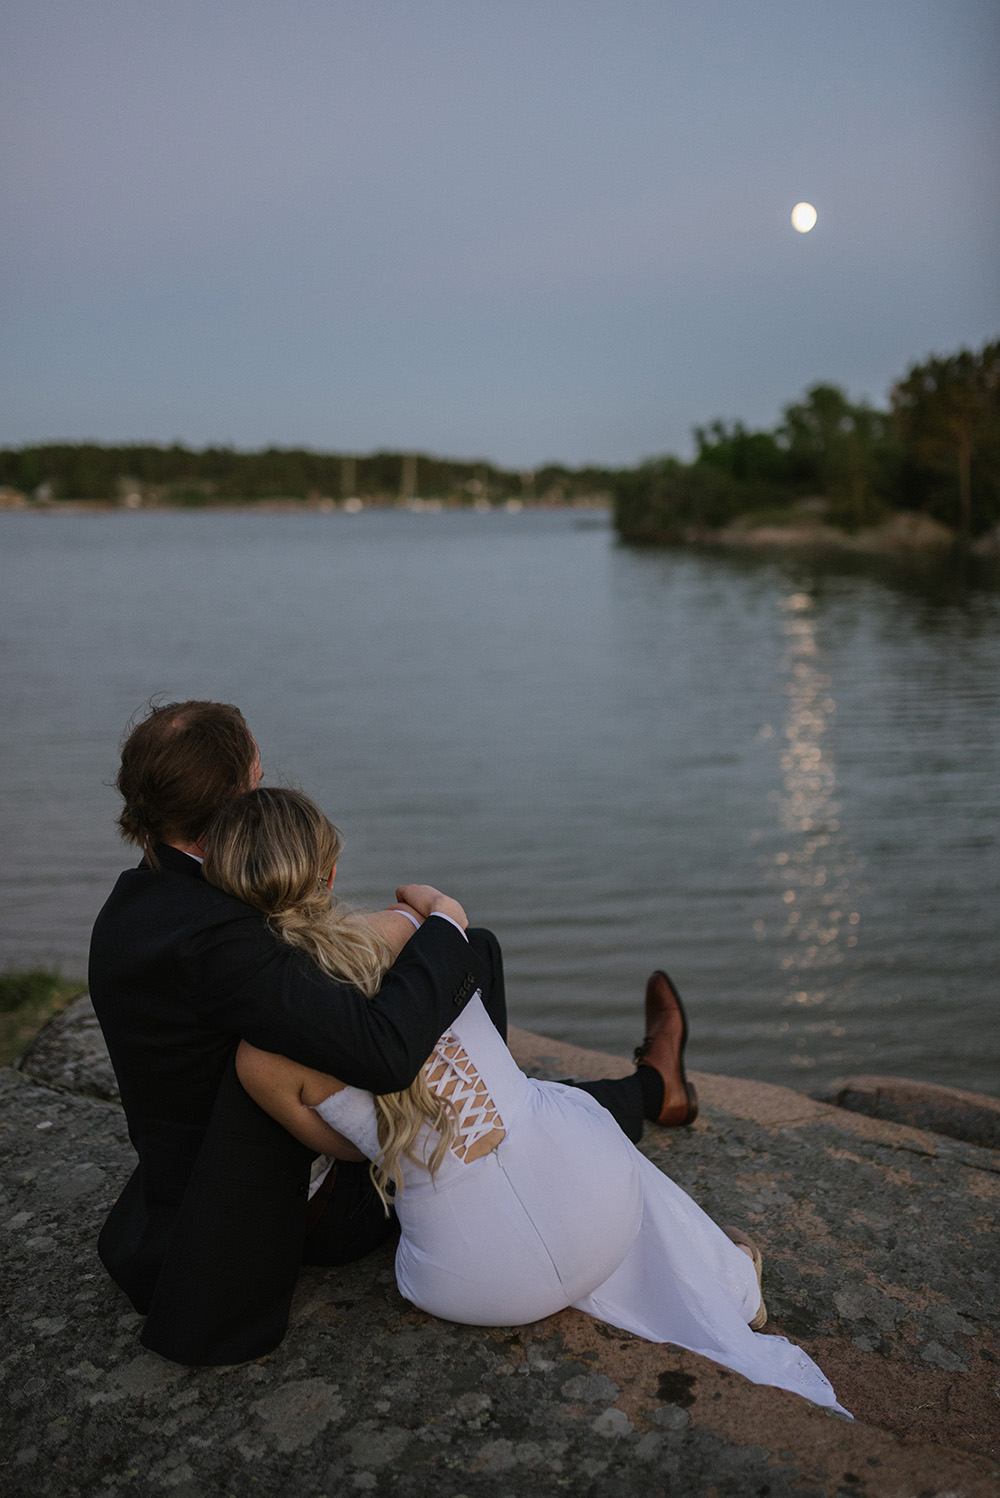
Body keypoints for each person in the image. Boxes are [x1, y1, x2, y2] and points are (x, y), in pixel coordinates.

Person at [202, 786, 849, 1415]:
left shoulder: (257, 1059)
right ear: (330, 870)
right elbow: (440, 909)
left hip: (472, 1285)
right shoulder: (401, 929)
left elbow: (346, 1146)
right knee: (564, 1121)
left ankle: (656, 1120)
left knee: (524, 1142)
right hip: (604, 1214)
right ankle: (733, 1280)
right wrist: (415, 905)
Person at [89, 699, 697, 1365]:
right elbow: (381, 1051)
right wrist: (439, 921)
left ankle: (641, 1089)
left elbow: (311, 970)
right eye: (257, 780)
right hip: (301, 1215)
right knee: (466, 971)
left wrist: (398, 931)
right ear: (235, 797)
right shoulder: (218, 940)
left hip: (204, 1176)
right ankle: (624, 1099)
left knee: (452, 973)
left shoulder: (137, 902)